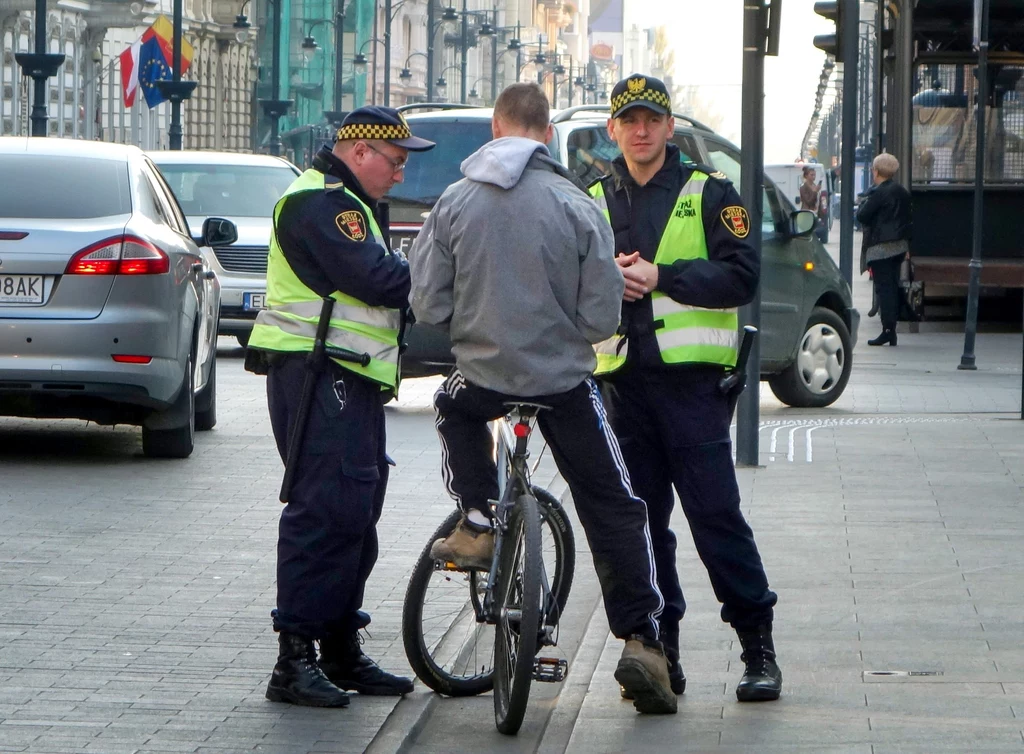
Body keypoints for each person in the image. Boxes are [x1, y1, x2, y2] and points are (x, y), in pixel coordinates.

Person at [409, 82, 677, 715]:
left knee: (452, 410)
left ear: (495, 133)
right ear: (548, 134)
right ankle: (643, 641)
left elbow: (427, 303)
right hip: (561, 384)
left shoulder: (453, 202)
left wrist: (475, 327)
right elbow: (600, 314)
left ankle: (476, 520)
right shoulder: (576, 204)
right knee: (614, 504)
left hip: (482, 376)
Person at [589, 74, 782, 703]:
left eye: (651, 120)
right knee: (642, 528)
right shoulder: (591, 198)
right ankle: (658, 654)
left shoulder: (711, 193)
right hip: (623, 387)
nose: (640, 131)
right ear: (613, 130)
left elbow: (742, 275)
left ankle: (758, 647)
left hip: (693, 390)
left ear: (671, 127)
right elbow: (569, 280)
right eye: (629, 121)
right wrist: (604, 283)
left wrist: (661, 275)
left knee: (715, 516)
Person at [247, 106, 435, 707]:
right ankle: (294, 659)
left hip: (345, 376)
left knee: (356, 506)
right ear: (360, 153)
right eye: (396, 161)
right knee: (324, 509)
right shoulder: (321, 203)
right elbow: (378, 280)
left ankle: (339, 647)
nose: (401, 175)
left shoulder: (350, 204)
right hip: (315, 371)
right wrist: (446, 272)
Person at [856, 153, 913, 346]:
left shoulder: (879, 193)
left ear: (876, 171)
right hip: (898, 246)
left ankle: (888, 330)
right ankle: (891, 329)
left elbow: (863, 216)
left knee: (884, 288)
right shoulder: (902, 192)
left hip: (881, 248)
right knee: (892, 285)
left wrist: (864, 202)